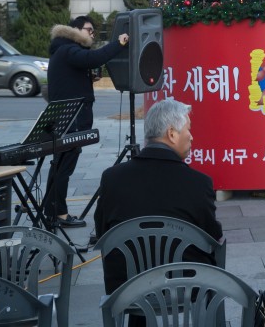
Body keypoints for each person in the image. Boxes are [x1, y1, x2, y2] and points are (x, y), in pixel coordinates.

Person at [94, 98, 222, 297]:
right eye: (188, 129)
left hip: (126, 291)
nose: (192, 137)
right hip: (187, 289)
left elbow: (103, 231)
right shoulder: (198, 183)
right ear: (172, 134)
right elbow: (212, 237)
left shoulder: (111, 178)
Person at [44, 16, 129, 228]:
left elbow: (67, 79)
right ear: (75, 30)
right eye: (88, 30)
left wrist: (85, 79)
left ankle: (51, 210)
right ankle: (59, 214)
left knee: (59, 166)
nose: (91, 34)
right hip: (69, 119)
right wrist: (120, 43)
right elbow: (94, 58)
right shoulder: (68, 50)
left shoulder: (62, 50)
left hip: (65, 117)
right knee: (64, 167)